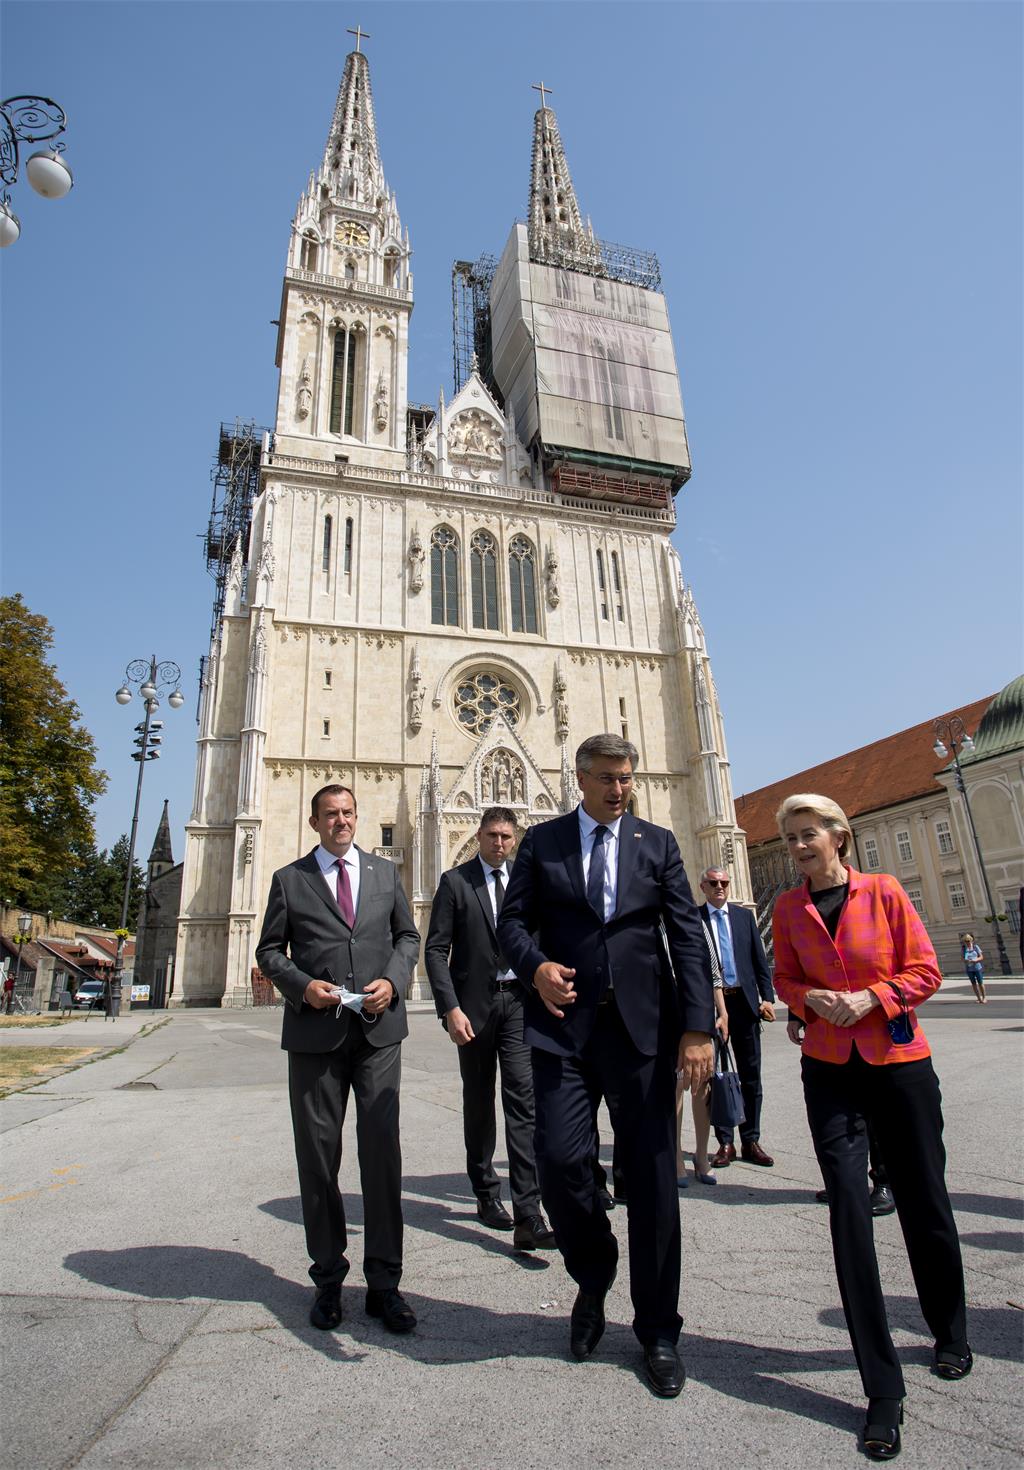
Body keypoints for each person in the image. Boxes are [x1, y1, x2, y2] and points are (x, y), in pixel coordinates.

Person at [498, 734, 715, 1399]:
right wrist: (535, 967)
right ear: (581, 778)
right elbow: (511, 923)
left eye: (627, 778)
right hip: (564, 1029)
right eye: (608, 778)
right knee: (560, 1162)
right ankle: (594, 1274)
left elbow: (686, 935)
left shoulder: (658, 843)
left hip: (642, 1031)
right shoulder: (544, 841)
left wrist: (698, 1027)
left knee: (653, 1183)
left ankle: (658, 1331)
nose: (620, 789)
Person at [773, 793, 971, 1462]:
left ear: (839, 835)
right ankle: (881, 1389)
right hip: (829, 1069)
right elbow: (784, 977)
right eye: (791, 837)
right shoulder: (789, 908)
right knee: (849, 1214)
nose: (799, 846)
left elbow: (925, 970)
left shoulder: (883, 892)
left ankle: (949, 1328)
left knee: (924, 1199)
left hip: (898, 1063)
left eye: (808, 834)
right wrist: (807, 999)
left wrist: (871, 998)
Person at [255, 783, 420, 1336]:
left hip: (378, 1033)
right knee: (319, 1159)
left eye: (348, 812)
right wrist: (303, 987)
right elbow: (269, 951)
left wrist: (393, 982)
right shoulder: (290, 879)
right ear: (314, 822)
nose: (341, 821)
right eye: (330, 814)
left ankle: (385, 1284)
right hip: (316, 1035)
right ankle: (327, 1279)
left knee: (382, 1156)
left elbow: (408, 937)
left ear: (357, 817)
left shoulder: (383, 873)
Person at [424, 806, 555, 1252]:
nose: (499, 843)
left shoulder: (525, 880)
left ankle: (529, 1212)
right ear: (478, 835)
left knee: (523, 1101)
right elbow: (436, 950)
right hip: (474, 1007)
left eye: (506, 836)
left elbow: (540, 935)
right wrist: (450, 1008)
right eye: (493, 835)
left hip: (518, 1001)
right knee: (478, 1101)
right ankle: (485, 1192)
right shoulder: (456, 882)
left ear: (515, 838)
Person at [699, 867, 776, 1168]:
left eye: (724, 882)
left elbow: (759, 960)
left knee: (751, 1074)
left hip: (744, 1003)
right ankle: (725, 1142)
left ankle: (751, 1139)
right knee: (717, 1076)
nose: (720, 887)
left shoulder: (743, 917)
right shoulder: (694, 918)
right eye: (714, 883)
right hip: (712, 1007)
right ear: (703, 887)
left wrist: (767, 998)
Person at [676, 917, 728, 1187]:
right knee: (675, 1085)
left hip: (698, 1007)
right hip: (667, 1009)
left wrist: (723, 1012)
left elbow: (714, 973)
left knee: (702, 1084)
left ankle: (701, 1153)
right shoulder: (651, 918)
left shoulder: (694, 920)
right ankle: (676, 1156)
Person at [960, 933, 986, 1004]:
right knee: (973, 983)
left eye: (968, 941)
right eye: (965, 941)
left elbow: (981, 957)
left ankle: (984, 998)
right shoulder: (963, 949)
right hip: (969, 968)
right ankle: (978, 998)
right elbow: (962, 958)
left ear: (971, 940)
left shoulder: (975, 947)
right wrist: (965, 960)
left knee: (980, 983)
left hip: (977, 967)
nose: (967, 942)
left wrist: (976, 959)